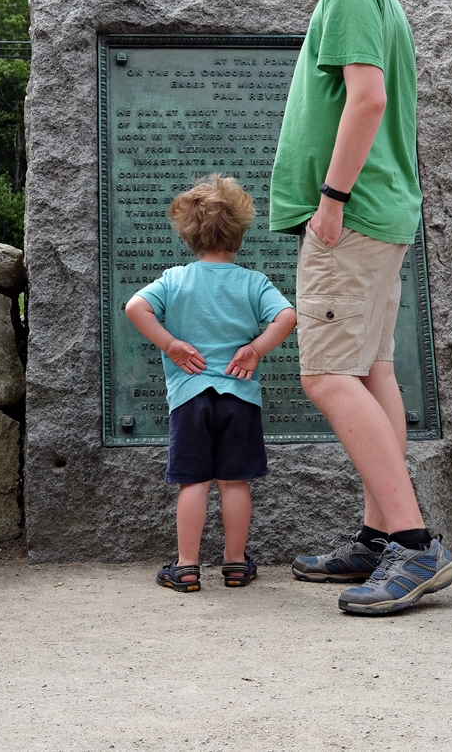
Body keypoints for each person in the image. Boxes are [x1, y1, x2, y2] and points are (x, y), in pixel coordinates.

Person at [266, 0, 452, 615]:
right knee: (371, 367)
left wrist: (332, 198)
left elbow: (367, 98)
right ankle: (380, 537)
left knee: (324, 375)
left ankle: (413, 545)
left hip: (353, 217)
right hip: (382, 214)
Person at [126, 174, 296, 593]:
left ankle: (186, 567)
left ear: (188, 236)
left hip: (190, 395)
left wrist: (172, 345)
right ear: (239, 234)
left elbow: (135, 307)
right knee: (235, 482)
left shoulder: (175, 279)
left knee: (194, 481)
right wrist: (255, 350)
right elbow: (287, 317)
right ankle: (236, 564)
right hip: (239, 397)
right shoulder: (254, 282)